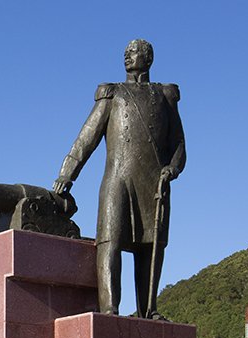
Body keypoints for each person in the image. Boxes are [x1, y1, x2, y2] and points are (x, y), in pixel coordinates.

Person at [53, 39, 185, 317]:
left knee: (151, 247)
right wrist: (68, 173)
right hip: (117, 181)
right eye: (125, 53)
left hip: (153, 183)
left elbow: (179, 145)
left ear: (147, 58)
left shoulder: (164, 96)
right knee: (109, 242)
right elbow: (86, 138)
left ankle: (148, 309)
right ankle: (110, 309)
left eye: (133, 53)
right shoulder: (113, 95)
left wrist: (171, 169)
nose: (127, 56)